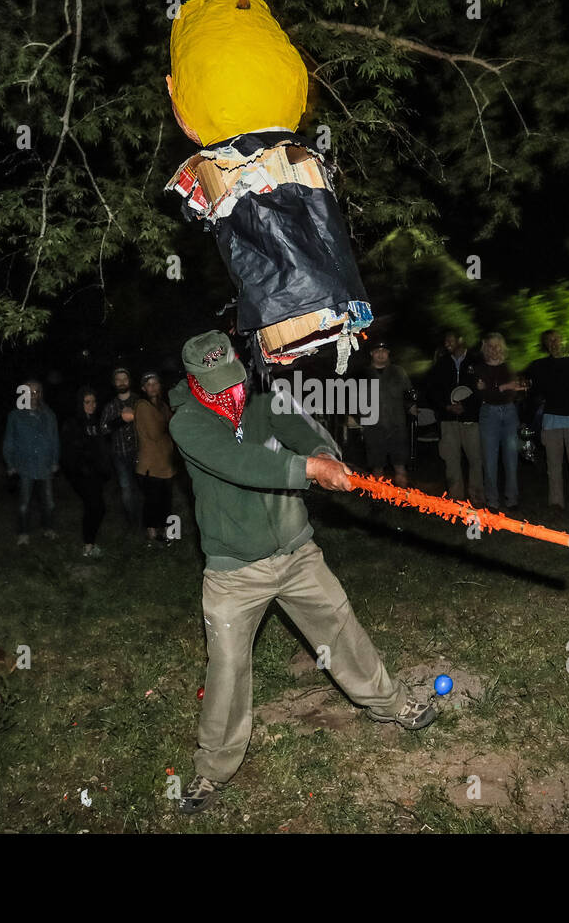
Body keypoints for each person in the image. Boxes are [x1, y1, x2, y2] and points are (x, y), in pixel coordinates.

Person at [168, 331, 436, 814]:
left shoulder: (261, 398)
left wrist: (325, 454)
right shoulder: (186, 422)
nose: (232, 393)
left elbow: (300, 427)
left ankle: (389, 703)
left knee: (340, 624)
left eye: (235, 380)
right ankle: (213, 767)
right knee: (227, 666)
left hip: (296, 552)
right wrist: (308, 469)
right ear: (195, 383)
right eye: (218, 387)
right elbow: (241, 462)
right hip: (234, 572)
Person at [524, 330, 569, 512]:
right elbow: (533, 393)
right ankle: (556, 504)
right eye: (550, 341)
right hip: (551, 421)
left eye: (557, 339)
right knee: (553, 466)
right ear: (546, 345)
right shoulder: (539, 367)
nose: (554, 343)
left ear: (564, 341)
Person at [424, 330, 485, 505]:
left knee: (475, 458)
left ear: (461, 340)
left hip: (471, 419)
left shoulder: (476, 361)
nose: (447, 343)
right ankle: (456, 498)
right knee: (451, 459)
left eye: (450, 339)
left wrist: (465, 406)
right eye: (445, 341)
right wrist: (446, 405)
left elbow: (481, 390)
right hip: (448, 419)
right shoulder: (441, 364)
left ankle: (477, 498)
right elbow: (431, 390)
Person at [3, 378, 60, 546]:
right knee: (23, 504)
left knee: (49, 502)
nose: (33, 395)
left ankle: (48, 528)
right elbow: (9, 441)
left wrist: (55, 460)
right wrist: (10, 464)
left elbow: (55, 439)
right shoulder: (15, 415)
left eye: (37, 392)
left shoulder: (49, 415)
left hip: (45, 464)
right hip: (24, 465)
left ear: (41, 394)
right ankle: (23, 533)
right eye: (29, 392)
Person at [475, 333, 525, 510]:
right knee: (489, 460)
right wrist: (504, 387)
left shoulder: (508, 367)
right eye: (490, 346)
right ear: (485, 348)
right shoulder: (479, 369)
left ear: (502, 348)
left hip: (510, 412)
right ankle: (492, 501)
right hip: (489, 414)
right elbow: (483, 394)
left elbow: (513, 391)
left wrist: (498, 389)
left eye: (497, 346)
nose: (494, 349)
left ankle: (512, 499)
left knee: (511, 458)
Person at [61, 385, 110, 557]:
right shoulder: (73, 423)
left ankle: (90, 542)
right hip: (81, 475)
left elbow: (103, 442)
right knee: (95, 507)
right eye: (87, 402)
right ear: (80, 403)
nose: (92, 405)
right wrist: (79, 470)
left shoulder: (96, 422)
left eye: (94, 402)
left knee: (97, 508)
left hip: (96, 474)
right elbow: (69, 452)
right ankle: (88, 546)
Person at [361, 341, 416, 487]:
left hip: (397, 426)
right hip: (373, 427)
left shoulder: (399, 372)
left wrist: (412, 406)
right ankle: (379, 502)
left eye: (384, 351)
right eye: (377, 351)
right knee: (377, 468)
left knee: (400, 466)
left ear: (388, 353)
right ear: (371, 353)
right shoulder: (363, 374)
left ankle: (403, 502)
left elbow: (409, 394)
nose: (380, 354)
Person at [135, 371, 177, 543]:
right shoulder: (142, 406)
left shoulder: (163, 406)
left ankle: (170, 533)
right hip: (150, 465)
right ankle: (152, 535)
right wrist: (169, 424)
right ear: (144, 388)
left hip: (166, 463)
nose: (152, 387)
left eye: (155, 383)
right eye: (149, 384)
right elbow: (155, 432)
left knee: (167, 500)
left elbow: (173, 425)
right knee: (152, 501)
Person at [100, 367, 143, 527]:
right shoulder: (110, 406)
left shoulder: (139, 401)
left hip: (140, 452)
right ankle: (132, 523)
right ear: (114, 383)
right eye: (118, 379)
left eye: (124, 379)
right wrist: (121, 419)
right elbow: (103, 428)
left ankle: (146, 521)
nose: (122, 382)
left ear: (129, 381)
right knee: (126, 489)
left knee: (141, 487)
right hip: (119, 454)